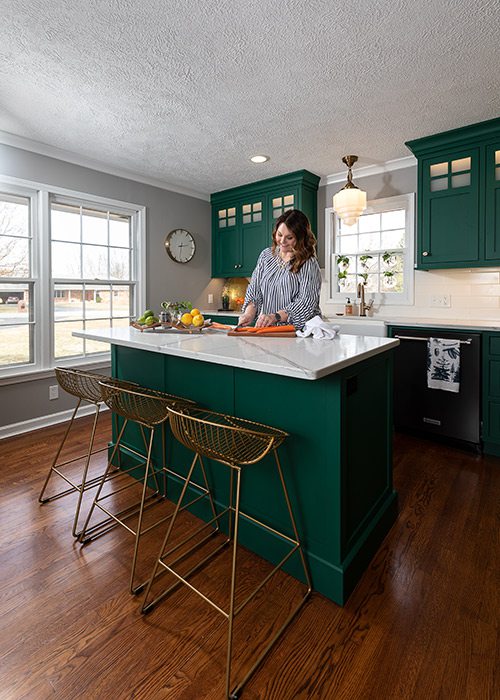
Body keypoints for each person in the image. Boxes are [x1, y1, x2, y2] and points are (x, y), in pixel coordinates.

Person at [238, 209, 322, 330]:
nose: (282, 241)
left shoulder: (308, 263)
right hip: (269, 330)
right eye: (280, 235)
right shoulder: (266, 256)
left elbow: (306, 303)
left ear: (300, 238)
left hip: (299, 332)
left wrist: (275, 316)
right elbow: (254, 289)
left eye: (289, 237)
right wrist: (249, 313)